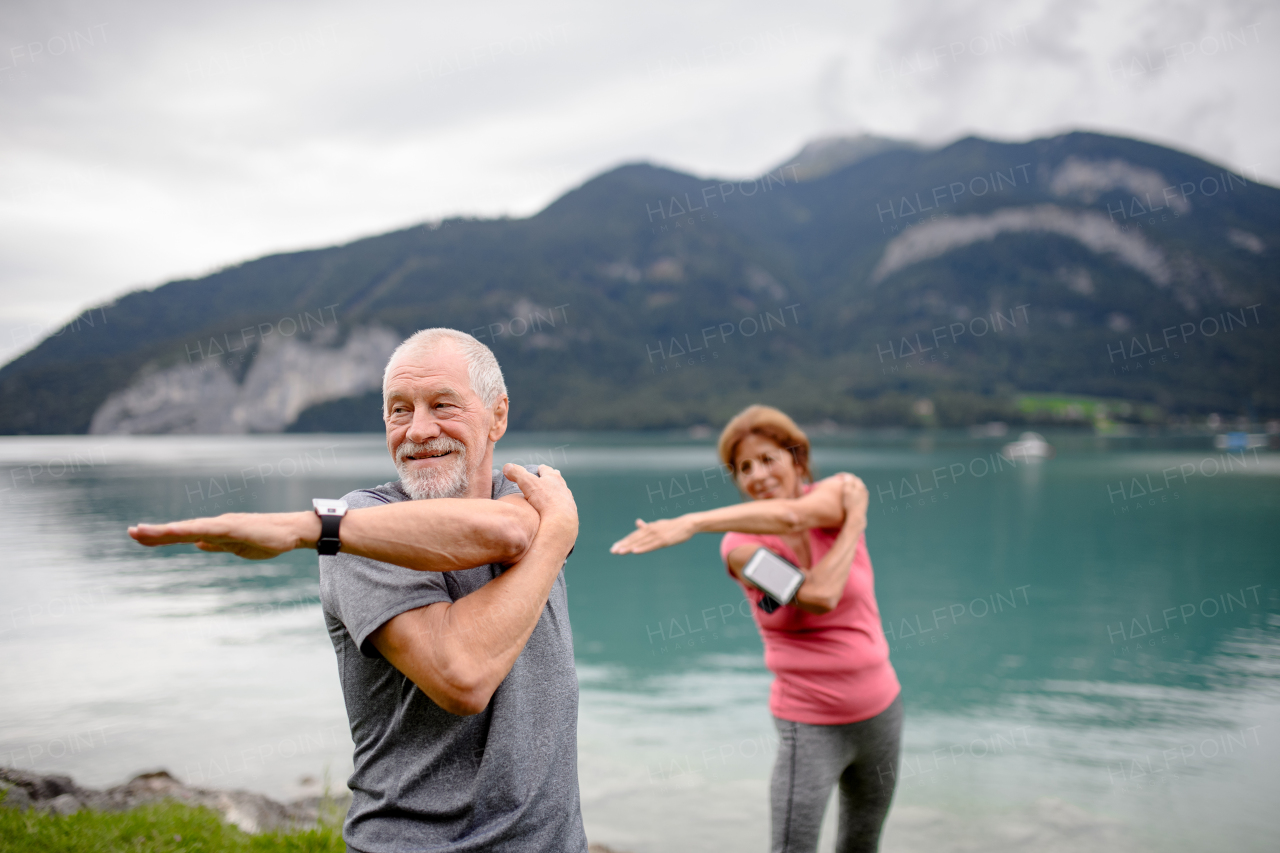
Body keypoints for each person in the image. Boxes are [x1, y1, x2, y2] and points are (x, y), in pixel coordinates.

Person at [129, 328, 587, 853]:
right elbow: (463, 675)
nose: (418, 430)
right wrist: (320, 529)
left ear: (497, 416)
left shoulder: (525, 493)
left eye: (443, 405)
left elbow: (507, 532)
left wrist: (306, 527)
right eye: (398, 410)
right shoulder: (361, 529)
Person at [610, 404, 901, 853]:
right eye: (744, 467)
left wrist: (848, 518)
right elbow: (819, 596)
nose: (758, 474)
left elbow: (798, 515)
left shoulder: (836, 492)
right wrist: (856, 522)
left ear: (796, 459)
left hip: (882, 711)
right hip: (810, 722)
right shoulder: (743, 549)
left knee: (863, 843)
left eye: (768, 458)